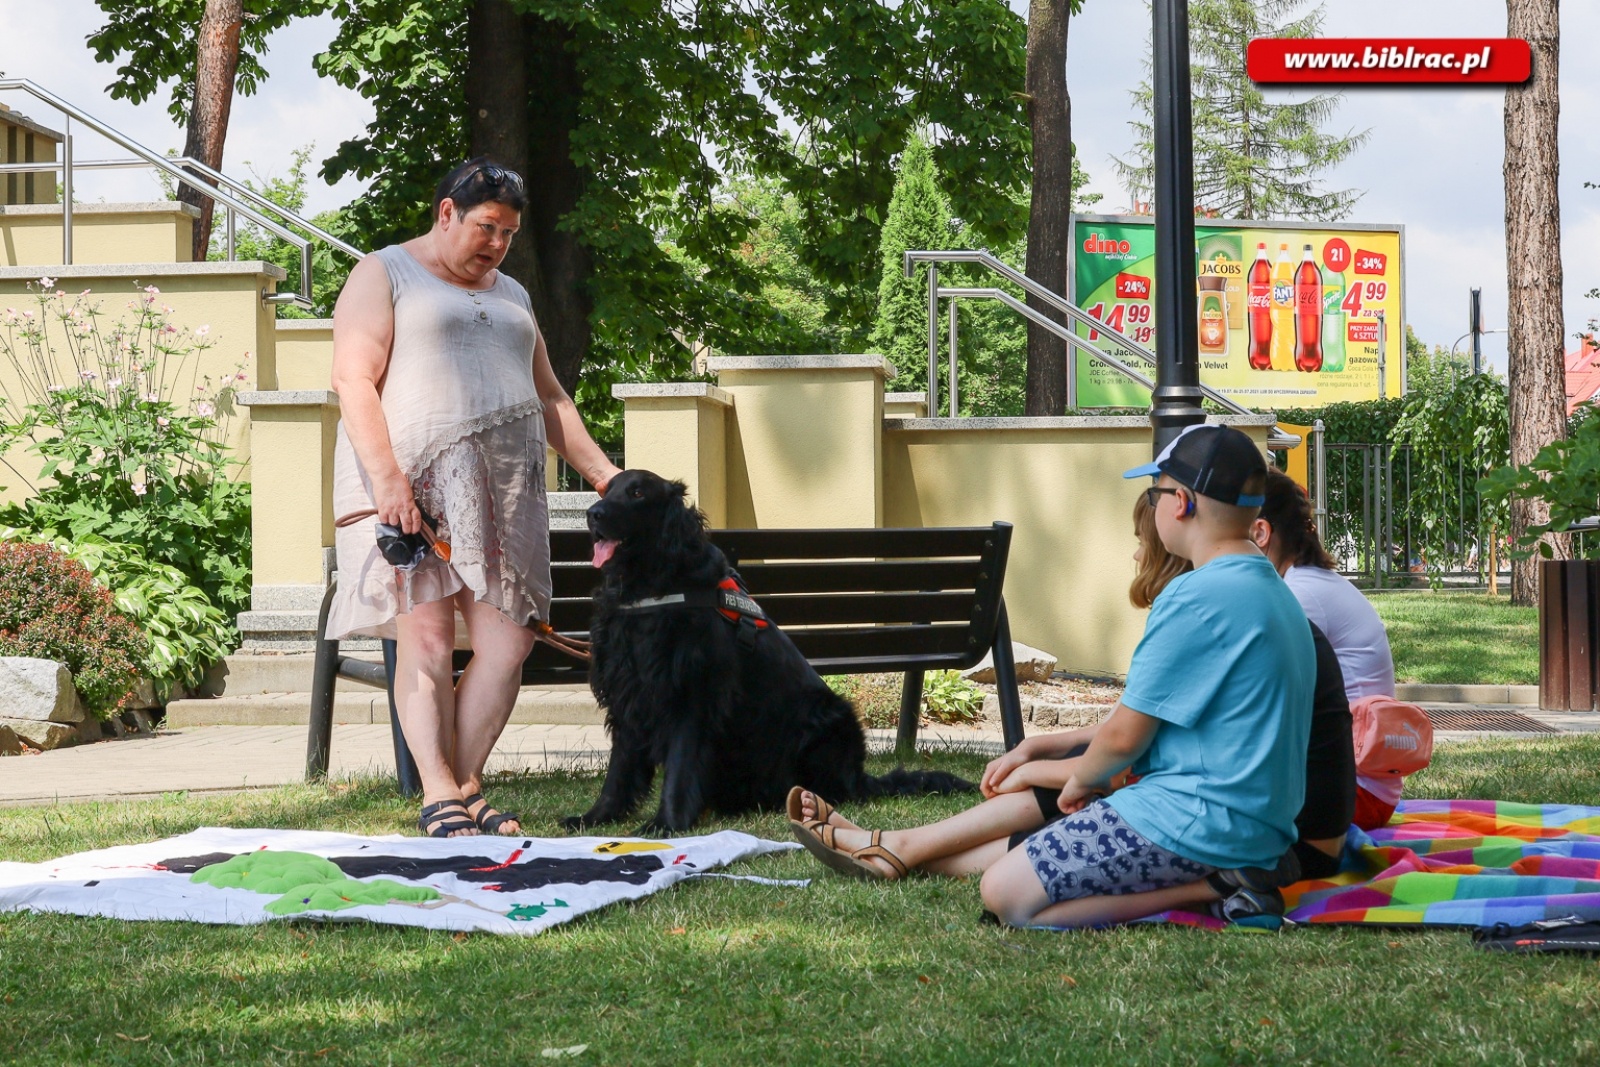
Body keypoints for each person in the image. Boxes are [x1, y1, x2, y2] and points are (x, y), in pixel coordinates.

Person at [793, 425, 1316, 927]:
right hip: (1253, 824)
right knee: (1025, 860)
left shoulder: (1196, 596)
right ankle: (895, 849)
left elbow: (1123, 736)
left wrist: (1079, 784)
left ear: (1180, 503)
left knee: (1005, 895)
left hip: (1194, 823)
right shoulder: (1272, 591)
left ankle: (1220, 889)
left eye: (1155, 494)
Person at [326, 158, 621, 838]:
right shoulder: (385, 271)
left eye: (509, 234)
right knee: (426, 639)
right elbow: (353, 379)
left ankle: (463, 784)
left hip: (504, 492)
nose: (495, 244)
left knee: (510, 639)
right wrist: (389, 480)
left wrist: (605, 473)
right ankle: (442, 794)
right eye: (486, 227)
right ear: (446, 213)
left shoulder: (514, 294)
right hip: (413, 488)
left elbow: (549, 396)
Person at [1252, 467, 1405, 830]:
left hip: (1353, 794)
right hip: (1361, 788)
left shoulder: (1300, 595)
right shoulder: (1309, 583)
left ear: (1260, 532)